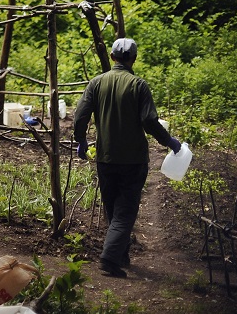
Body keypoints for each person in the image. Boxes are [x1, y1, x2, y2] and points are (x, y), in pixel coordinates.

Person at [73, 37, 181, 278]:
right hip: (133, 160)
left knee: (113, 208)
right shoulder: (138, 85)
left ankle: (120, 254)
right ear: (133, 58)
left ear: (112, 57)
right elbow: (149, 121)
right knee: (125, 211)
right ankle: (110, 259)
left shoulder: (97, 83)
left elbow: (80, 116)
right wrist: (170, 142)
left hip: (106, 158)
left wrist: (81, 141)